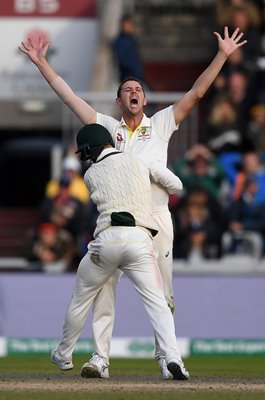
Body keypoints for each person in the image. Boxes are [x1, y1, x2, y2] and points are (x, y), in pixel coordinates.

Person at [18, 26, 247, 379]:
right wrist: (41, 64)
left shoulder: (161, 124)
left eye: (138, 89)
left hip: (156, 220)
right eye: (127, 89)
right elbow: (69, 97)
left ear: (145, 98)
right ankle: (100, 358)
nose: (134, 91)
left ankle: (167, 360)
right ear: (119, 101)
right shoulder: (107, 129)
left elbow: (198, 92)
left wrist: (221, 55)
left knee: (164, 294)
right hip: (116, 221)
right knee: (104, 288)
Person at [51, 123, 188, 380]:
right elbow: (177, 185)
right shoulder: (139, 160)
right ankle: (173, 358)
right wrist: (152, 175)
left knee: (81, 299)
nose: (85, 157)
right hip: (140, 240)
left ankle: (64, 354)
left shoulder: (90, 175)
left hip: (106, 241)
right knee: (158, 303)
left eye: (86, 151)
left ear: (92, 147)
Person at [112, 14, 146, 84]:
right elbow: (123, 61)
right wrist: (133, 71)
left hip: (136, 77)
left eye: (131, 25)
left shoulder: (131, 39)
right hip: (128, 77)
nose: (130, 27)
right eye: (127, 24)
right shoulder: (120, 41)